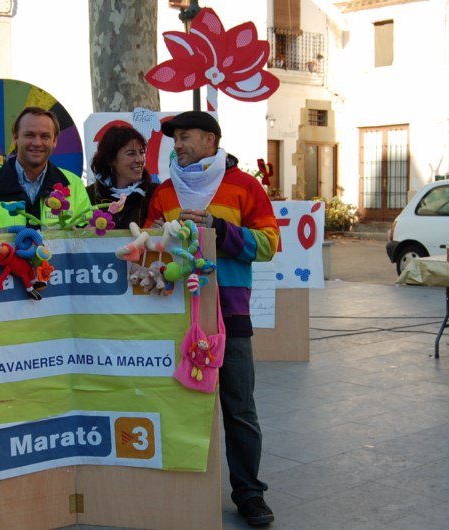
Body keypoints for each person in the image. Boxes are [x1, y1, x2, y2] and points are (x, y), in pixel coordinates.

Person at [145, 111, 279, 527]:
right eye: (175, 139)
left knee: (239, 408)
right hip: (176, 316)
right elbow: (149, 243)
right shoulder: (165, 191)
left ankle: (249, 494)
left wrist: (220, 231)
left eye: (185, 137)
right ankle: (181, 490)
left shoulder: (244, 186)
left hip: (230, 315)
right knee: (179, 405)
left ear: (211, 139)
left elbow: (269, 244)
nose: (178, 145)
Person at [0, 106, 91, 235]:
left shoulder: (74, 185)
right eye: (29, 135)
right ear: (15, 138)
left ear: (54, 141)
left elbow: (87, 244)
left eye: (45, 136)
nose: (37, 143)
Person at [87, 125, 158, 228]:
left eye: (141, 152)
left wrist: (159, 231)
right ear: (111, 159)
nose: (139, 160)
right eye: (131, 154)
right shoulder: (90, 195)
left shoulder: (154, 193)